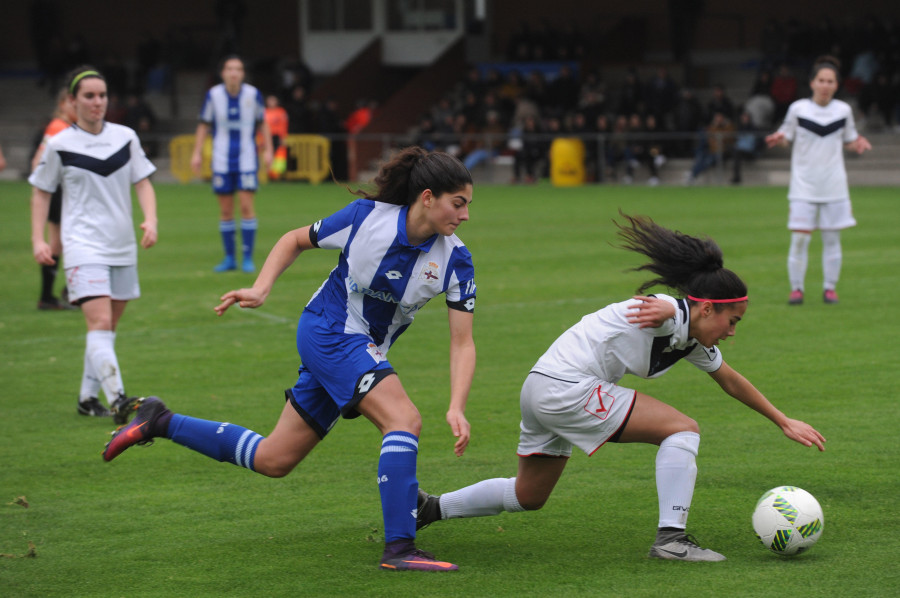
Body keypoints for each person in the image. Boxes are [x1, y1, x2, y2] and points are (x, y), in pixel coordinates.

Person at [103, 147, 477, 572]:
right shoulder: (365, 218)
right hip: (328, 330)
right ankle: (400, 548)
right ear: (427, 197)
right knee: (403, 420)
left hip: (357, 350)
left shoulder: (455, 259)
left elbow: (462, 342)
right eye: (458, 203)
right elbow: (294, 239)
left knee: (273, 459)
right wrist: (261, 288)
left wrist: (456, 405)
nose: (464, 215)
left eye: (467, 205)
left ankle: (159, 420)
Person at [415, 213, 825, 563]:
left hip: (541, 389)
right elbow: (665, 310)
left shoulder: (692, 339)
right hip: (567, 388)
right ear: (705, 308)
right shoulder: (667, 313)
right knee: (682, 429)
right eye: (732, 321)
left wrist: (782, 420)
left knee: (529, 494)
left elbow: (730, 380)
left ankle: (430, 507)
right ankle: (672, 540)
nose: (732, 331)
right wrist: (672, 306)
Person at [29, 66, 158, 421]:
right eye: (89, 95)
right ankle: (120, 401)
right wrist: (38, 239)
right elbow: (41, 192)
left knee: (106, 329)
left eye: (102, 95)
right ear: (72, 101)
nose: (97, 102)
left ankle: (88, 399)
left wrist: (151, 219)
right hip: (82, 246)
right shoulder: (59, 144)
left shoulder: (125, 137)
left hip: (122, 245)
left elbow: (143, 182)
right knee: (99, 322)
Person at [765, 55, 871, 305]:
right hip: (803, 186)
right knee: (800, 238)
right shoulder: (798, 109)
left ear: (836, 84)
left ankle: (829, 288)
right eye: (821, 80)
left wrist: (858, 143)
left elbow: (850, 138)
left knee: (832, 239)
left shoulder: (843, 110)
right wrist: (779, 139)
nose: (825, 85)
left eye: (830, 81)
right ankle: (797, 289)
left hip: (834, 186)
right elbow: (785, 136)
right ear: (812, 83)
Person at [191, 55, 273, 274]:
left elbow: (263, 123)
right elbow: (203, 125)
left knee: (246, 207)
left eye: (238, 69)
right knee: (226, 211)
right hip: (221, 160)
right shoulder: (214, 95)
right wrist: (196, 152)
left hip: (247, 159)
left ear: (242, 73)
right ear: (223, 73)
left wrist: (268, 151)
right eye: (229, 69)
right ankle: (229, 258)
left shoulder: (253, 94)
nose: (234, 73)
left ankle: (247, 257)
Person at [31, 87, 79, 311]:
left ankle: (57, 294)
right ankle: (65, 293)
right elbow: (39, 162)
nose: (77, 108)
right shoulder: (58, 128)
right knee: (64, 242)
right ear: (62, 104)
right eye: (73, 103)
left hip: (61, 191)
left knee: (61, 243)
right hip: (59, 192)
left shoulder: (67, 127)